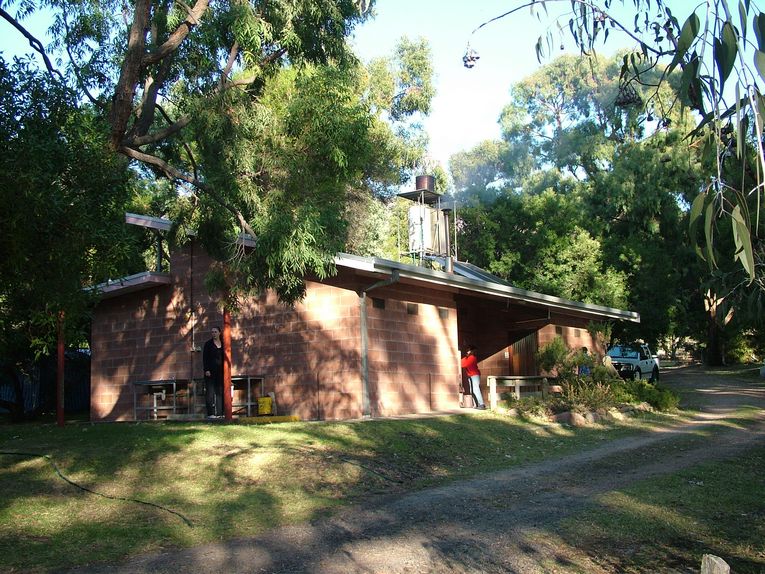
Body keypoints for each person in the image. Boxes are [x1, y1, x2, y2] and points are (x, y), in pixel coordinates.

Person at [202, 326, 224, 418]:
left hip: (220, 371)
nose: (213, 333)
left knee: (220, 392)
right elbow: (205, 358)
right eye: (212, 332)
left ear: (219, 333)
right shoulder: (208, 344)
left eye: (215, 332)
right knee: (210, 392)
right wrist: (206, 369)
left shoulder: (224, 343)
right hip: (210, 371)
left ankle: (220, 413)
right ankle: (210, 414)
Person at [460, 345, 486, 410]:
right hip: (470, 376)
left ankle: (482, 404)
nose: (467, 351)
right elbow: (461, 362)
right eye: (467, 350)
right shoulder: (467, 358)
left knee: (475, 389)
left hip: (475, 375)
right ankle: (476, 405)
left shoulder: (472, 357)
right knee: (472, 391)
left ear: (471, 351)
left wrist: (465, 359)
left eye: (469, 350)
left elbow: (464, 364)